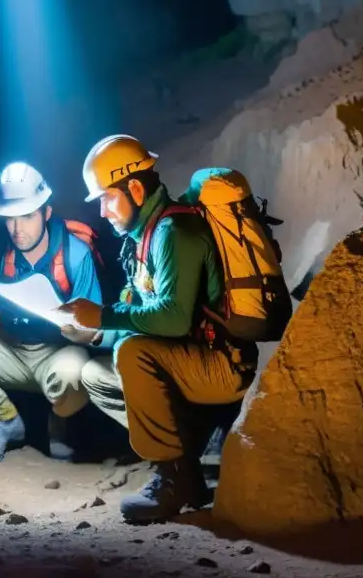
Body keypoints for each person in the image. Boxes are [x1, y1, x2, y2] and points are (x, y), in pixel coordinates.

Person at [58, 135, 261, 522]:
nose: (102, 211)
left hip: (222, 365)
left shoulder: (175, 234)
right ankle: (186, 459)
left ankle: (174, 477)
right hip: (189, 359)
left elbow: (172, 318)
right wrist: (96, 332)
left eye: (107, 197)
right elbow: (138, 311)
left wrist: (104, 315)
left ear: (135, 188)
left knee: (132, 353)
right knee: (96, 374)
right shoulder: (142, 238)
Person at [0, 161, 107, 466]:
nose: (17, 228)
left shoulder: (75, 253)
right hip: (9, 348)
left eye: (27, 216)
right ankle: (4, 419)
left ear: (46, 212)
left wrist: (83, 332)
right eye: (9, 218)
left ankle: (59, 423)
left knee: (76, 374)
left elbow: (96, 320)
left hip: (57, 352)